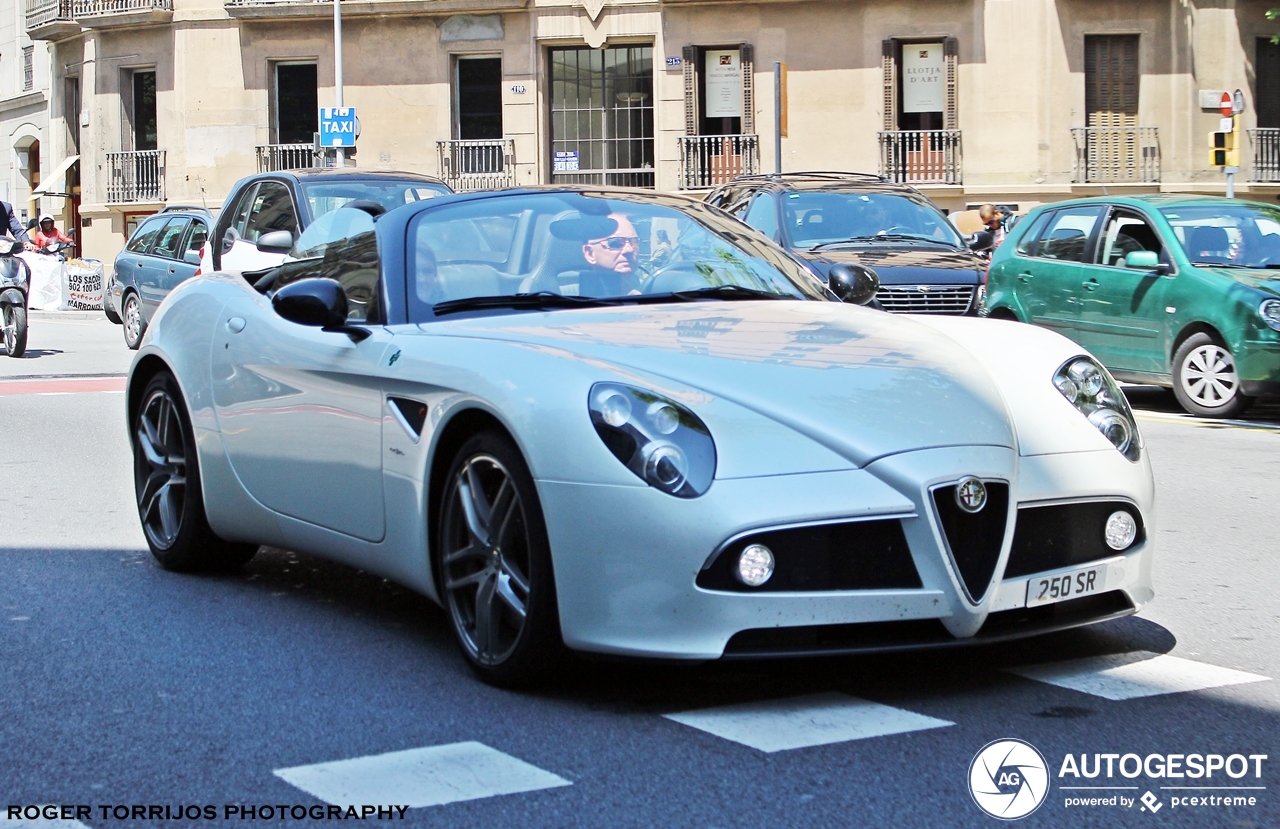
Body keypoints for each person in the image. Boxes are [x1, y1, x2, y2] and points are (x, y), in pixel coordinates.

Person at [580, 213, 643, 296]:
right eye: (615, 243)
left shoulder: (646, 288)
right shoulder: (570, 296)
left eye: (634, 242)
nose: (629, 249)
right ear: (590, 254)